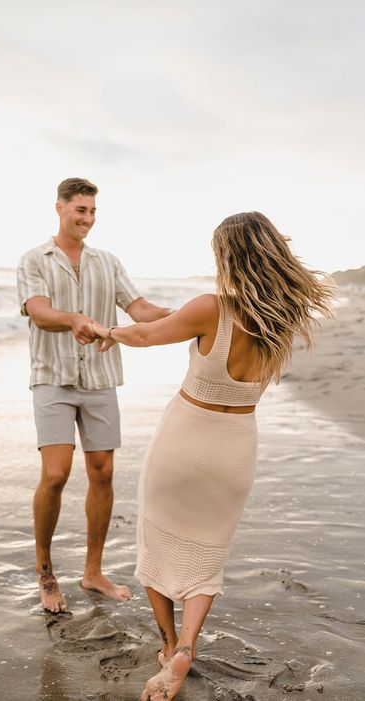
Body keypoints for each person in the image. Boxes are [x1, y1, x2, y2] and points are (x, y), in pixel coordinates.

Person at [92, 211, 335, 701]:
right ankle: (188, 645)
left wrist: (107, 331)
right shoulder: (281, 320)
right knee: (207, 557)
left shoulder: (212, 307)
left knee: (155, 541)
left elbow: (144, 336)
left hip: (185, 437)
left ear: (229, 257)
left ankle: (166, 647)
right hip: (236, 446)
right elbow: (170, 321)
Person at [17, 177, 173, 614]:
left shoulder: (108, 261)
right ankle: (46, 572)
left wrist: (179, 314)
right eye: (79, 210)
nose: (87, 219)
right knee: (55, 474)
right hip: (52, 377)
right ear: (59, 208)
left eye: (92, 212)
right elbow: (39, 312)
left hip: (101, 378)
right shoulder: (34, 259)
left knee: (102, 473)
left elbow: (138, 309)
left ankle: (93, 571)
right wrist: (73, 320)